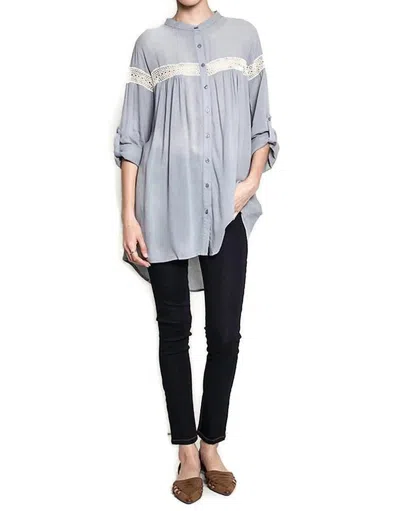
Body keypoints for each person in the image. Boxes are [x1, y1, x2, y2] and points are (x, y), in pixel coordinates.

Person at [114, 0, 279, 503]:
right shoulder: (150, 45)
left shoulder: (244, 37)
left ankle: (212, 444)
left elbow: (261, 124)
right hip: (162, 209)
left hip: (226, 210)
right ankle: (186, 451)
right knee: (174, 332)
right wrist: (128, 217)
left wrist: (250, 183)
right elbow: (132, 137)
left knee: (225, 334)